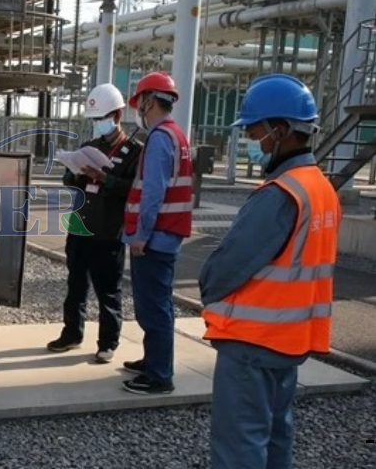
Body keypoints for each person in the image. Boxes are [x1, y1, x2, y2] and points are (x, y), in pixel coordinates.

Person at [199, 74, 339, 469]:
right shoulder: (320, 188)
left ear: (280, 131)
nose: (249, 139)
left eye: (253, 130)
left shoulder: (281, 193)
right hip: (290, 340)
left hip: (252, 342)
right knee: (276, 437)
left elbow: (229, 265)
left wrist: (209, 289)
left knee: (240, 445)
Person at [46, 84, 143, 363]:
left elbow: (135, 188)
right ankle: (71, 333)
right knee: (75, 284)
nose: (98, 124)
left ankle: (108, 342)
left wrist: (105, 179)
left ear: (118, 114)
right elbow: (69, 180)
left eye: (102, 118)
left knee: (108, 290)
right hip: (80, 225)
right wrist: (75, 172)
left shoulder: (135, 152)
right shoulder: (89, 147)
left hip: (108, 230)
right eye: (94, 119)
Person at [121, 71, 193, 395]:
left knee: (154, 307)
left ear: (149, 100)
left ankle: (159, 375)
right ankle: (153, 361)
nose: (139, 109)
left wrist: (141, 234)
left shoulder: (161, 137)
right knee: (155, 303)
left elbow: (153, 192)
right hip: (165, 234)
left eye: (140, 102)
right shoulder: (176, 134)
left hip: (156, 236)